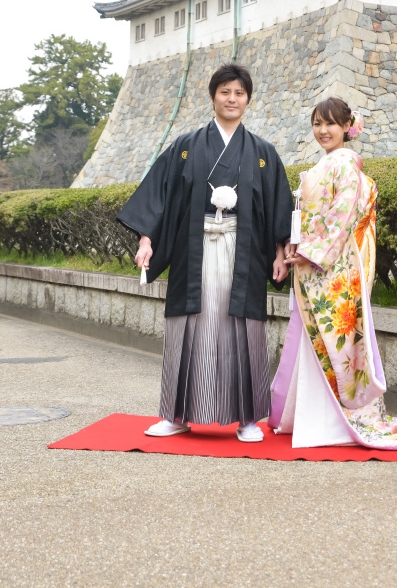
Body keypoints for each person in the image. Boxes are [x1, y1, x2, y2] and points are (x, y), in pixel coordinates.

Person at [118, 64, 293, 442]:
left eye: (239, 93)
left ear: (248, 99)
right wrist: (147, 240)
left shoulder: (263, 152)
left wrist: (280, 252)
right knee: (187, 328)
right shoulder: (185, 146)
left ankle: (247, 418)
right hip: (193, 250)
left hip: (242, 251)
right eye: (225, 92)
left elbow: (277, 206)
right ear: (213, 96)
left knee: (242, 331)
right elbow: (159, 196)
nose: (232, 99)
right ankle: (176, 413)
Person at [269, 97, 397, 450]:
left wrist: (310, 253)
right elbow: (311, 217)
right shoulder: (329, 165)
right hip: (317, 266)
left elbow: (342, 217)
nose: (323, 131)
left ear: (348, 127)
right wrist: (294, 243)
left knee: (336, 341)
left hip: (333, 268)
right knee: (321, 340)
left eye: (331, 124)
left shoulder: (346, 167)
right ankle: (313, 416)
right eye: (317, 123)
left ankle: (332, 419)